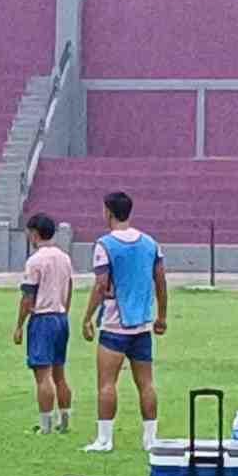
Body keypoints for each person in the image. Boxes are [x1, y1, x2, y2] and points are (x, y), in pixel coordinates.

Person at [80, 191, 167, 453]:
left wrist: (87, 317)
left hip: (115, 325)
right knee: (146, 383)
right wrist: (161, 315)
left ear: (107, 211)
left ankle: (104, 439)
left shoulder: (104, 245)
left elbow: (100, 285)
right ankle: (150, 438)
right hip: (142, 325)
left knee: (106, 383)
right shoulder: (151, 243)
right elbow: (160, 281)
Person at [13, 213, 75, 435]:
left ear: (34, 233)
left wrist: (20, 324)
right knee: (60, 374)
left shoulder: (35, 261)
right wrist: (65, 312)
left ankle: (46, 424)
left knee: (43, 375)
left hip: (42, 319)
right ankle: (65, 420)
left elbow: (28, 296)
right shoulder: (64, 257)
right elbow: (70, 289)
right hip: (60, 317)